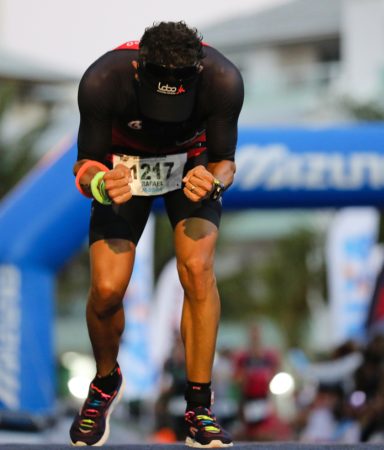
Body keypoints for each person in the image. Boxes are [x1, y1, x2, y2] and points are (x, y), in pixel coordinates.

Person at [69, 21, 244, 447]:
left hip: (192, 162)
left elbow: (226, 161)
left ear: (198, 73)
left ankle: (199, 406)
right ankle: (106, 383)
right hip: (123, 169)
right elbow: (84, 164)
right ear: (137, 72)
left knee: (198, 269)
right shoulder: (101, 79)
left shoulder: (223, 79)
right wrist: (99, 183)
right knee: (107, 290)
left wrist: (214, 183)